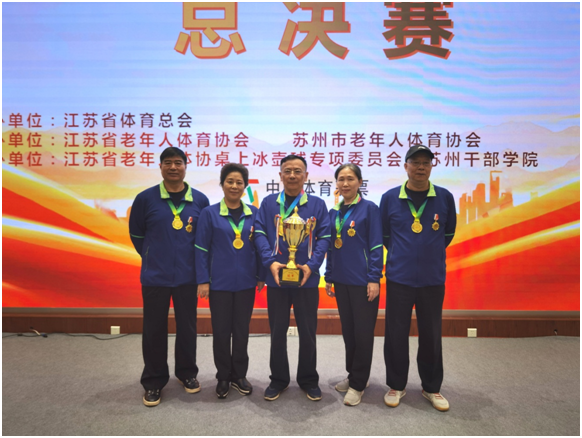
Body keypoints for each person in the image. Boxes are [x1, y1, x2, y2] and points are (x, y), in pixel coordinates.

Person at [129, 146, 209, 407]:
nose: (173, 167)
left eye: (178, 162)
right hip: (155, 276)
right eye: (168, 163)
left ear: (186, 166)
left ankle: (187, 373)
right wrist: (153, 256)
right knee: (153, 329)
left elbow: (204, 239)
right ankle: (153, 381)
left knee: (187, 327)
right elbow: (137, 234)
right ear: (160, 167)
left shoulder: (200, 200)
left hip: (188, 276)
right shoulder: (145, 198)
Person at [379, 144, 456, 412]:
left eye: (426, 162)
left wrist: (427, 254)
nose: (421, 167)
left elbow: (448, 233)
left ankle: (431, 387)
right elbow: (385, 235)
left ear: (432, 167)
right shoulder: (390, 198)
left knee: (431, 334)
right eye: (415, 162)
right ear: (406, 166)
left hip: (432, 279)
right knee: (396, 333)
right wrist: (404, 254)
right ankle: (396, 385)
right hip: (399, 278)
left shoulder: (444, 197)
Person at [254, 155, 331, 402]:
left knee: (308, 331)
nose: (292, 175)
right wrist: (270, 261)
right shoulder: (269, 203)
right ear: (280, 175)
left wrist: (311, 265)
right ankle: (278, 379)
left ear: (306, 176)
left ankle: (308, 379)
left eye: (298, 171)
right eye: (287, 170)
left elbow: (325, 237)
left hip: (307, 279)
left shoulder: (317, 204)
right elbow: (259, 234)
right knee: (277, 331)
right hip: (277, 277)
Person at [195, 163, 265, 399]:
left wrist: (261, 276)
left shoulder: (254, 213)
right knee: (222, 332)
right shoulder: (209, 213)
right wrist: (203, 280)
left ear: (245, 186)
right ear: (222, 184)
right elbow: (201, 248)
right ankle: (223, 376)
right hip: (219, 284)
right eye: (230, 181)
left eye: (239, 182)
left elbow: (261, 246)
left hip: (246, 282)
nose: (234, 186)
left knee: (242, 331)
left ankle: (239, 375)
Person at [324, 163, 383, 407]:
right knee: (349, 332)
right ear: (336, 183)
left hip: (363, 282)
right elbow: (330, 247)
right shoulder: (333, 213)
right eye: (341, 179)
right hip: (341, 281)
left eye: (350, 178)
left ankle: (358, 384)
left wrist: (374, 278)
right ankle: (354, 375)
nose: (345, 183)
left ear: (360, 182)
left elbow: (376, 245)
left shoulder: (370, 209)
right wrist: (328, 276)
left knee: (363, 333)